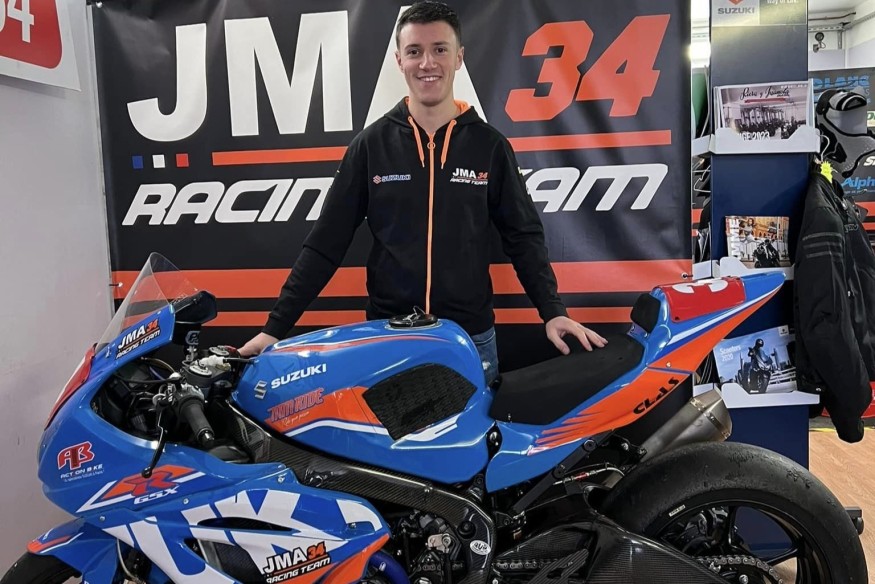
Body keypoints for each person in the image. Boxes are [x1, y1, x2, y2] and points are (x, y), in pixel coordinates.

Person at [239, 1, 606, 383]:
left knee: (475, 426)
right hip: (388, 340)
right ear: (399, 60)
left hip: (470, 342)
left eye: (439, 49)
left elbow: (523, 237)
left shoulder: (490, 147)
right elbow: (324, 245)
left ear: (459, 57)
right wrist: (274, 329)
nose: (427, 63)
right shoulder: (370, 147)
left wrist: (552, 311)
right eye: (414, 51)